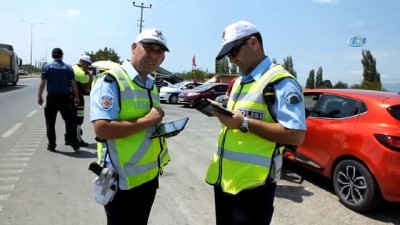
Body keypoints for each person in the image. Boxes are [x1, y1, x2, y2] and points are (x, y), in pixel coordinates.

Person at [205, 21, 307, 225]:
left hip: (253, 188)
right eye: (228, 55)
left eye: (233, 52)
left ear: (253, 43)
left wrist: (244, 123)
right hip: (225, 181)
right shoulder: (241, 81)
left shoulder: (280, 81)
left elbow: (296, 135)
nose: (231, 59)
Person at [89, 28, 171, 225]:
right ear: (134, 48)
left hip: (148, 177)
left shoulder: (150, 84)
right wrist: (148, 120)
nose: (154, 55)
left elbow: (148, 122)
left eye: (160, 51)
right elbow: (102, 128)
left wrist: (160, 126)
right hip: (122, 181)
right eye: (149, 48)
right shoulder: (111, 80)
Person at [38, 48, 80, 152]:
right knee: (69, 121)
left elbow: (42, 83)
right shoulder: (68, 68)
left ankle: (52, 145)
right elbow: (73, 84)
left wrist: (40, 96)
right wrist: (77, 97)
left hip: (51, 98)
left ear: (53, 56)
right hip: (65, 98)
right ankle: (72, 141)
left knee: (50, 123)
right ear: (62, 55)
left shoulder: (47, 67)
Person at [70, 54, 93, 147]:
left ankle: (69, 138)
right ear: (82, 62)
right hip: (78, 98)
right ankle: (78, 139)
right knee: (79, 120)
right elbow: (87, 89)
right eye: (87, 63)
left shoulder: (72, 68)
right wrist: (90, 77)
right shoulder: (81, 73)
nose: (88, 66)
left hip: (68, 97)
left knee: (70, 119)